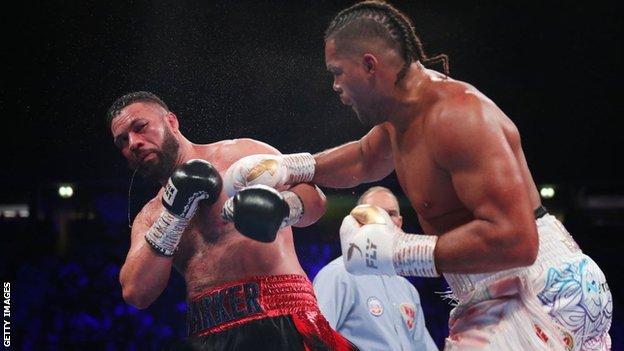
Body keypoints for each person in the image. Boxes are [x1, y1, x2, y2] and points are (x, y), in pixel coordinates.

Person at [222, 1, 613, 350]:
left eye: (338, 73)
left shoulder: (458, 116)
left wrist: (398, 251)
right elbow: (362, 159)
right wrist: (292, 167)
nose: (336, 86)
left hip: (531, 288)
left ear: (370, 65)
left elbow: (517, 240)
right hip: (512, 289)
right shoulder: (404, 117)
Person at [107, 91, 357, 350]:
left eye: (140, 127)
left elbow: (316, 201)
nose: (133, 143)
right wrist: (173, 216)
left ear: (171, 122)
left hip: (282, 315)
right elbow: (136, 292)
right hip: (207, 333)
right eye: (122, 141)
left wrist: (284, 209)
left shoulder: (241, 155)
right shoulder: (150, 216)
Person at [313, 186, 437, 351]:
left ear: (399, 222)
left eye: (391, 214)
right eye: (376, 212)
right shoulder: (338, 275)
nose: (384, 220)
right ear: (359, 221)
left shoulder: (407, 288)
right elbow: (315, 339)